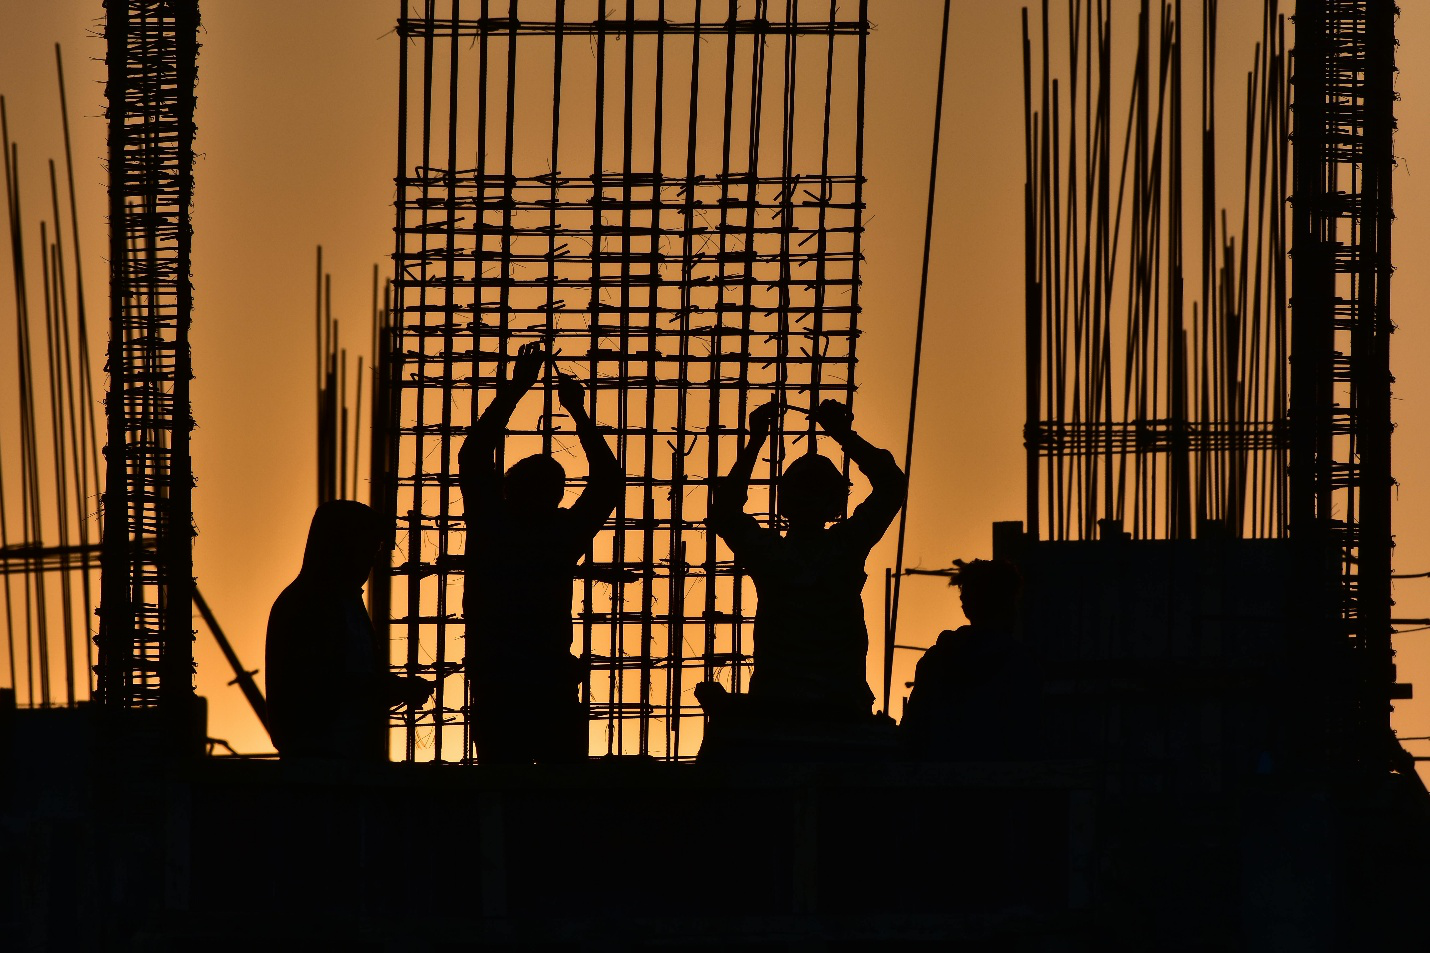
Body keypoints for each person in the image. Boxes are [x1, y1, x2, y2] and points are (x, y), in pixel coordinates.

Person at [460, 341, 621, 764]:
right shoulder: (560, 534)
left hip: (499, 683)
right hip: (548, 683)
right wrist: (577, 412)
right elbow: (608, 482)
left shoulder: (492, 525)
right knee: (559, 789)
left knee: (503, 784)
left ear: (507, 489)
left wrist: (517, 389)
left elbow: (474, 455)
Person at [707, 398, 906, 722]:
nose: (807, 495)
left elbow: (725, 512)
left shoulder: (771, 554)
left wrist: (756, 441)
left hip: (780, 707)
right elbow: (892, 485)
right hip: (840, 708)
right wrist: (843, 434)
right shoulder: (844, 548)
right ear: (836, 504)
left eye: (813, 488)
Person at [265, 500, 433, 760]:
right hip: (318, 760)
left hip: (352, 758)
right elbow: (315, 687)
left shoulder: (347, 604)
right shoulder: (305, 604)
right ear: (340, 546)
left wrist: (388, 689)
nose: (371, 560)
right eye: (367, 548)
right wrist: (387, 690)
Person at [901, 558, 1040, 760]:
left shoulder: (936, 660)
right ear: (1008, 605)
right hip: (999, 775)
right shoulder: (1020, 663)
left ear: (965, 605)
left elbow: (912, 734)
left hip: (941, 773)